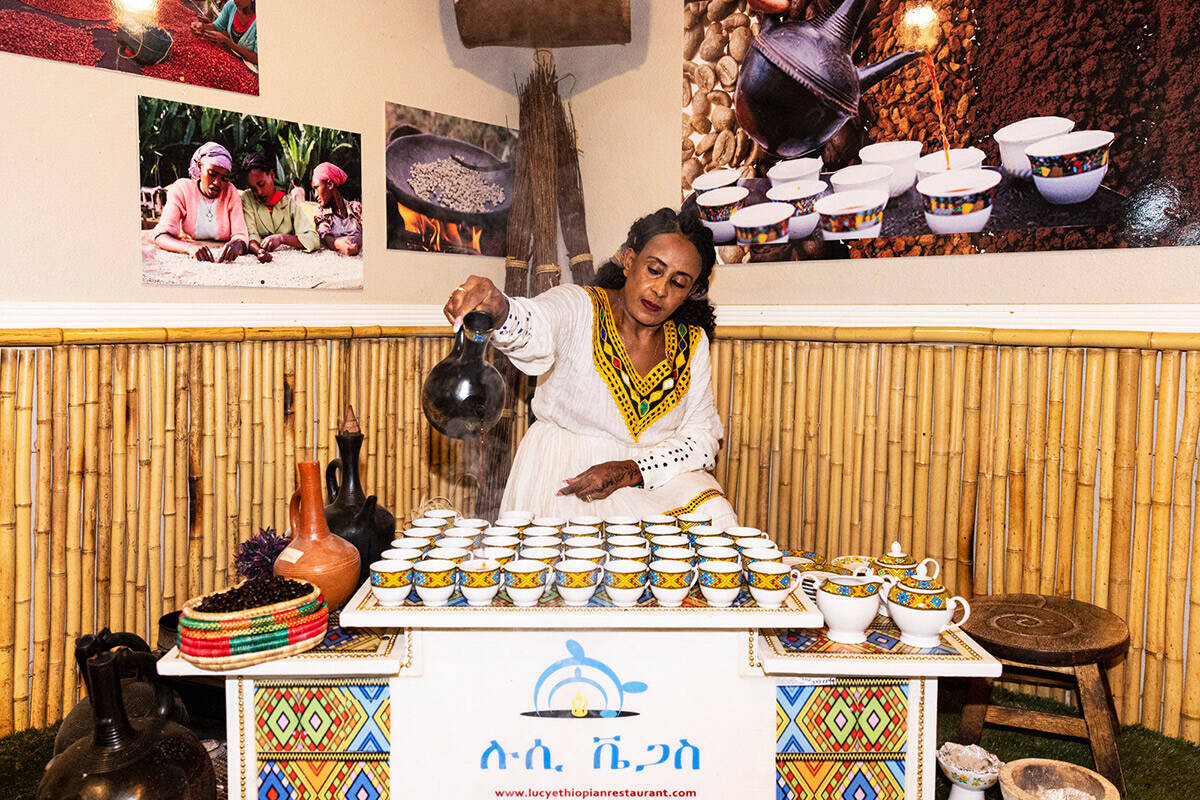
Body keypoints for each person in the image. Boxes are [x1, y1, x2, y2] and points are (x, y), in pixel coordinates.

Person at [443, 207, 737, 529]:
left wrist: (631, 470)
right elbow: (538, 324)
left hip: (645, 477)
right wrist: (500, 310)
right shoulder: (579, 307)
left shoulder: (691, 344)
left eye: (678, 283)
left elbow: (701, 438)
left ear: (691, 292)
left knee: (715, 513)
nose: (661, 290)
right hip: (569, 478)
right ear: (628, 260)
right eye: (654, 270)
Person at [152, 142, 251, 263]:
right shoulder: (182, 189)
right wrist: (189, 248)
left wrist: (238, 245)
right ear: (200, 166)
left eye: (224, 178)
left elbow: (241, 235)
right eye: (212, 174)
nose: (217, 183)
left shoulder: (230, 192)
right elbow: (160, 235)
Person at [239, 152, 321, 261]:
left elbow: (313, 239)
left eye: (261, 184)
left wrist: (282, 238)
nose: (258, 192)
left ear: (272, 175)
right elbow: (251, 235)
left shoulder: (289, 204)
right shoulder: (247, 198)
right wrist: (259, 251)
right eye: (253, 188)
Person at [312, 162, 362, 256]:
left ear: (330, 184)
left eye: (317, 188)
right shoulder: (320, 212)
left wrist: (358, 241)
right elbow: (325, 236)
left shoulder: (356, 208)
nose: (315, 195)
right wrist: (339, 244)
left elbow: (371, 231)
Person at [190, 0, 257, 66]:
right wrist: (202, 26)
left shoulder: (261, 20)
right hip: (234, 59)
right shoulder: (231, 5)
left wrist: (227, 42)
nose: (235, 1)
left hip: (253, 71)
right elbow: (217, 26)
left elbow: (257, 58)